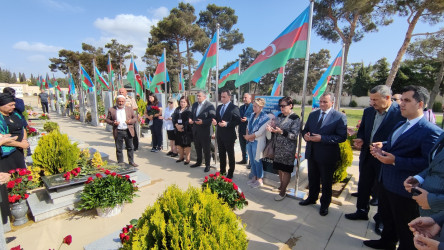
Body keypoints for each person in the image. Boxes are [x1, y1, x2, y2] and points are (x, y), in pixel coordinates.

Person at [365, 85, 441, 250]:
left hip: (404, 189)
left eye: (407, 100)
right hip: (386, 182)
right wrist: (383, 145)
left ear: (420, 104)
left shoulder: (430, 131)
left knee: (405, 229)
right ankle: (386, 242)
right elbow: (395, 143)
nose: (401, 104)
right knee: (387, 218)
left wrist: (395, 161)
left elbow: (428, 163)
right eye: (401, 100)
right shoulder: (401, 123)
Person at [345, 85, 404, 236]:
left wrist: (383, 146)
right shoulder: (368, 111)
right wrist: (360, 139)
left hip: (385, 159)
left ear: (388, 98)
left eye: (375, 100)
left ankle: (381, 219)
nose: (372, 103)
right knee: (364, 184)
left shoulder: (400, 113)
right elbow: (364, 130)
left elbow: (401, 138)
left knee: (382, 191)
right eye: (371, 99)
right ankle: (361, 210)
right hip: (367, 155)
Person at [300, 92, 347, 216]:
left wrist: (322, 138)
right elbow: (305, 129)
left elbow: (341, 137)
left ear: (332, 102)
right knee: (312, 178)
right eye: (320, 101)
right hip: (312, 153)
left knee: (326, 182)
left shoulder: (339, 116)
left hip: (327, 156)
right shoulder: (313, 114)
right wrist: (305, 135)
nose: (321, 104)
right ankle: (311, 198)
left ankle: (325, 204)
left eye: (325, 102)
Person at [0, 93, 29, 225]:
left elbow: (23, 127)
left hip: (18, 152)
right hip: (6, 154)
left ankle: (21, 203)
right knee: (7, 180)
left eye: (13, 104)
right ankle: (11, 211)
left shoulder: (15, 114)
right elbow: (3, 139)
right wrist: (20, 144)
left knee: (20, 177)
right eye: (10, 105)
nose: (13, 106)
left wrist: (24, 140)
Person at [266, 96, 301, 201]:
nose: (281, 108)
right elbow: (277, 129)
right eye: (280, 106)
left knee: (286, 170)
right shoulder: (280, 116)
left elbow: (294, 135)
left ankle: (283, 192)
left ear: (290, 106)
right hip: (278, 148)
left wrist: (282, 132)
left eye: (283, 106)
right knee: (280, 169)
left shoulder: (295, 118)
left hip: (288, 149)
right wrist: (271, 129)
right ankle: (282, 186)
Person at [403, 131, 444, 217]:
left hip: (439, 213)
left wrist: (432, 200)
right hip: (427, 212)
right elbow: (434, 165)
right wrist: (419, 178)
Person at [212, 90, 240, 179]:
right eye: (221, 97)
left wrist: (227, 124)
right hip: (220, 135)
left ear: (229, 97)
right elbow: (216, 118)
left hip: (229, 135)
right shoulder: (219, 107)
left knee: (230, 154)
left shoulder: (234, 108)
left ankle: (231, 172)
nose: (222, 99)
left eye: (224, 97)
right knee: (221, 154)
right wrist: (215, 121)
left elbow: (238, 121)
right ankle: (222, 171)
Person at [105, 95, 138, 167]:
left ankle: (131, 161)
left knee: (130, 147)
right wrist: (113, 123)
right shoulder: (111, 109)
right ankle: (120, 162)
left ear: (124, 102)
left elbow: (135, 118)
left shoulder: (129, 109)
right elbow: (107, 119)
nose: (120, 103)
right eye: (119, 101)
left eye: (122, 101)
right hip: (118, 131)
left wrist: (130, 121)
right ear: (116, 102)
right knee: (119, 148)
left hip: (128, 130)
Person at [244, 98, 269, 188]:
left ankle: (259, 179)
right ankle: (254, 177)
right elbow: (247, 126)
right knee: (252, 160)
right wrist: (247, 135)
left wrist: (249, 137)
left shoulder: (265, 118)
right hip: (250, 140)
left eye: (255, 106)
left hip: (257, 141)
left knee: (257, 160)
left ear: (261, 107)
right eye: (253, 106)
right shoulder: (252, 115)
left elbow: (260, 132)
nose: (253, 108)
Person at [189, 91, 216, 172]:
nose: (198, 97)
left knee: (206, 149)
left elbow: (212, 117)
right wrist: (190, 119)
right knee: (197, 147)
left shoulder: (209, 105)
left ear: (204, 97)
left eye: (199, 96)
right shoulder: (195, 104)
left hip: (205, 131)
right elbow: (191, 114)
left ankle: (207, 165)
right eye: (197, 96)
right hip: (196, 130)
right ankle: (199, 161)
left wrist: (203, 122)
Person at [172, 96, 193, 165]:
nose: (182, 103)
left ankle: (187, 159)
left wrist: (182, 126)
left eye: (184, 102)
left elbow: (189, 120)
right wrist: (176, 125)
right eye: (181, 101)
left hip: (186, 130)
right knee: (179, 144)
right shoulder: (177, 109)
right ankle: (181, 157)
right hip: (178, 129)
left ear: (187, 103)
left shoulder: (189, 110)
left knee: (186, 144)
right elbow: (173, 118)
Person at [237, 93, 253, 167]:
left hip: (249, 130)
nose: (244, 99)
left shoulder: (253, 107)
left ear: (250, 98)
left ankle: (251, 162)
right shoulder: (241, 107)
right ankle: (244, 159)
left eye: (245, 98)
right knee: (242, 145)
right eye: (243, 98)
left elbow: (255, 117)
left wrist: (247, 119)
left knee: (250, 147)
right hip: (241, 129)